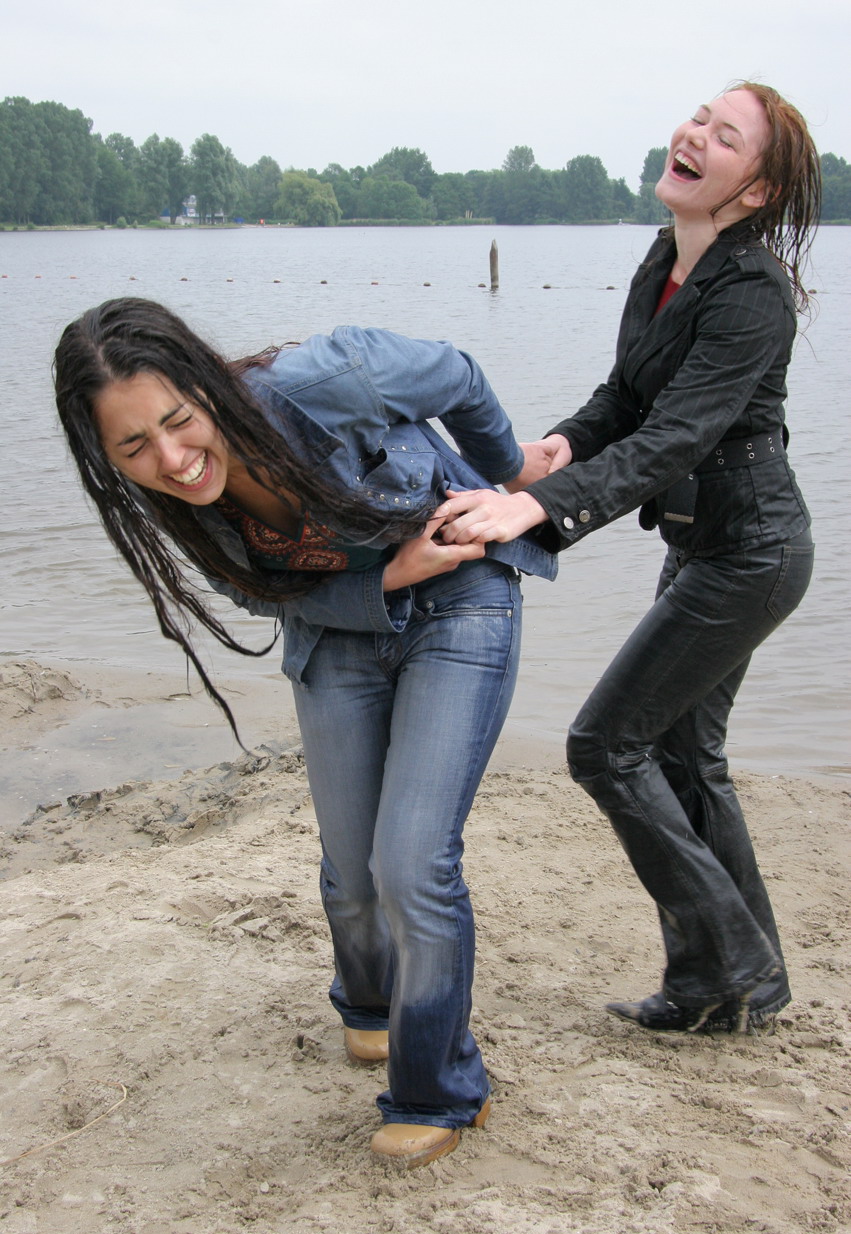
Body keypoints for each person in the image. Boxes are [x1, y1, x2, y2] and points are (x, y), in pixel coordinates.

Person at [54, 302, 558, 1167]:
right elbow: (258, 590)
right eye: (133, 448)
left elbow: (460, 374)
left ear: (207, 387)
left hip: (462, 596)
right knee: (350, 865)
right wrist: (385, 576)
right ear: (106, 458)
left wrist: (510, 474)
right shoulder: (170, 500)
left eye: (178, 421)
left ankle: (438, 1088)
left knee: (411, 861)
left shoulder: (330, 378)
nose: (171, 460)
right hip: (339, 628)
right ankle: (369, 1005)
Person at [435, 82, 820, 1035]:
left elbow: (677, 437)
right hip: (701, 544)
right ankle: (736, 985)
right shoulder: (664, 261)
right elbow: (625, 398)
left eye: (722, 136)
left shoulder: (755, 296)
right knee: (687, 757)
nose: (692, 134)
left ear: (755, 190)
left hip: (753, 550)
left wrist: (533, 510)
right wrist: (551, 450)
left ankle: (730, 956)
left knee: (603, 745)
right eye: (697, 117)